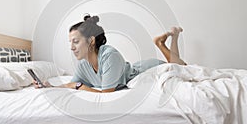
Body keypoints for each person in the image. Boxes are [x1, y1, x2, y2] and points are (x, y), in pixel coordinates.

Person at [32, 15, 187, 92]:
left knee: (181, 67)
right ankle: (169, 38)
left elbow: (106, 94)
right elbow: (71, 84)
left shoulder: (110, 56)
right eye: (70, 42)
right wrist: (50, 86)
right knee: (177, 64)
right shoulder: (83, 64)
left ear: (91, 41)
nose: (71, 47)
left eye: (76, 41)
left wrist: (77, 85)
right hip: (135, 69)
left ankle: (162, 42)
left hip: (145, 70)